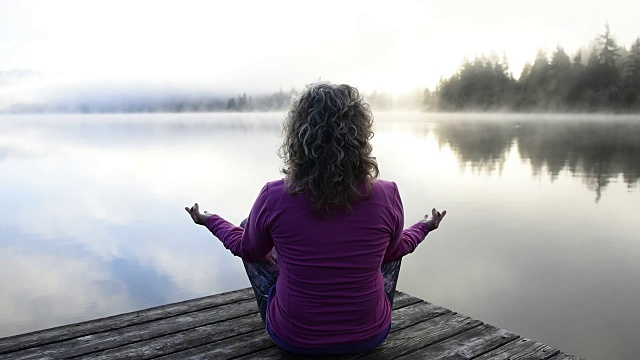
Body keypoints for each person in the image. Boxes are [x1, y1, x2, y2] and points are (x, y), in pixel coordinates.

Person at [185, 82, 446, 355]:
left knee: (248, 230)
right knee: (390, 247)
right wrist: (425, 226)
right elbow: (396, 250)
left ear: (297, 137)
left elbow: (246, 249)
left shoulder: (274, 196)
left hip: (294, 338)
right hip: (370, 336)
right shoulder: (387, 194)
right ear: (360, 137)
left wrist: (210, 220)